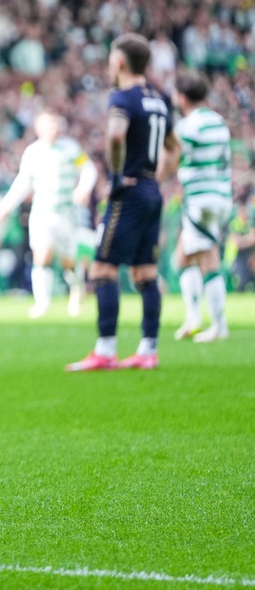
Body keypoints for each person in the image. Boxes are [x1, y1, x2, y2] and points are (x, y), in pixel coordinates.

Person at [68, 34, 174, 372]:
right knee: (145, 273)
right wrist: (155, 179)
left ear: (120, 62)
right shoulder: (160, 99)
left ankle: (105, 350)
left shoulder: (123, 98)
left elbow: (116, 135)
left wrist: (115, 178)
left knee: (102, 269)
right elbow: (175, 148)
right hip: (151, 190)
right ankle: (148, 350)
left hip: (128, 192)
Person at [0, 111, 97, 317]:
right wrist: (5, 206)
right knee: (41, 254)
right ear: (38, 129)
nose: (53, 129)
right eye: (49, 125)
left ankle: (77, 289)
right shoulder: (33, 153)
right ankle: (42, 302)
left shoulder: (70, 148)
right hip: (42, 211)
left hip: (66, 212)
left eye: (55, 124)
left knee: (67, 261)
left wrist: (84, 188)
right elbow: (23, 182)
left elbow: (88, 169)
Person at [157, 71, 232, 342]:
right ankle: (193, 319)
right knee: (182, 258)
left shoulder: (188, 126)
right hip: (220, 195)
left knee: (208, 256)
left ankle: (219, 325)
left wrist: (154, 180)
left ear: (183, 97)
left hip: (201, 199)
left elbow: (172, 160)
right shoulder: (218, 122)